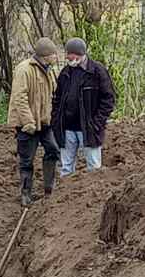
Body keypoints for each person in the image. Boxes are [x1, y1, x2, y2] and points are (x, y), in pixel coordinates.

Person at [52, 37, 116, 177]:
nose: (67, 57)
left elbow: (109, 99)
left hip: (89, 129)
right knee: (66, 169)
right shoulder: (65, 72)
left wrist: (97, 122)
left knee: (94, 168)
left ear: (79, 53)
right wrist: (56, 120)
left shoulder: (97, 71)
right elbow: (57, 99)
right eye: (67, 53)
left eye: (70, 53)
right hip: (67, 129)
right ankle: (64, 196)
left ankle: (94, 197)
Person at [7, 37, 59, 205]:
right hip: (27, 124)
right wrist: (28, 121)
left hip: (44, 123)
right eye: (53, 54)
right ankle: (25, 193)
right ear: (45, 55)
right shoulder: (25, 69)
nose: (56, 57)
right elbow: (19, 97)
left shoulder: (49, 70)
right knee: (26, 160)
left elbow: (52, 94)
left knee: (53, 150)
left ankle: (49, 188)